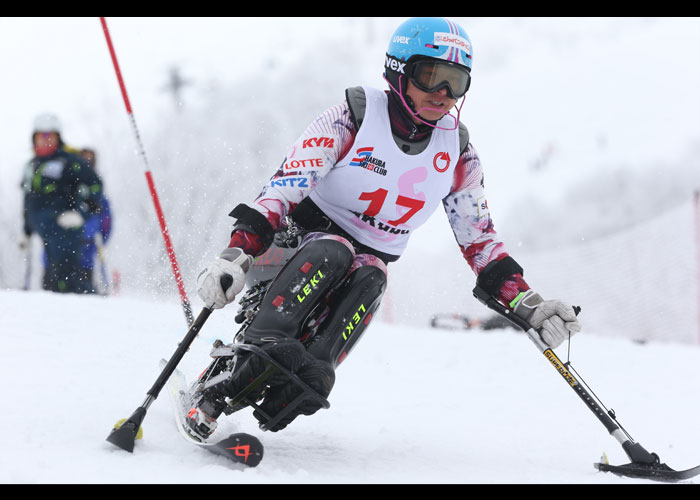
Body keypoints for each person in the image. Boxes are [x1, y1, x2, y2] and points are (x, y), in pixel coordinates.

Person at [188, 17, 581, 439]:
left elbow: (480, 240)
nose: (443, 95)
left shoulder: (458, 152)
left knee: (372, 274)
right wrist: (236, 253)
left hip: (360, 268)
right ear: (399, 71)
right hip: (294, 252)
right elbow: (283, 189)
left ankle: (310, 371)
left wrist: (527, 304)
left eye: (456, 82)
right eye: (431, 77)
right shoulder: (353, 117)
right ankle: (224, 379)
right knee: (334, 251)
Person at [21, 113, 104, 294]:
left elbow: (95, 186)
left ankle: (94, 307)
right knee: (53, 278)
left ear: (57, 138)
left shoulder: (70, 162)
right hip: (44, 229)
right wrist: (27, 230)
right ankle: (62, 315)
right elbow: (28, 199)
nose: (44, 141)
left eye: (49, 136)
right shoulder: (32, 166)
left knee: (68, 276)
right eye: (40, 137)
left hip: (66, 227)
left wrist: (81, 214)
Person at [78, 148, 113, 293]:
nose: (87, 162)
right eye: (83, 159)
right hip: (66, 252)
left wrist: (99, 240)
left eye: (90, 159)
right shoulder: (69, 189)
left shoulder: (98, 192)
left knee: (87, 289)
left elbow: (106, 222)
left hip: (88, 251)